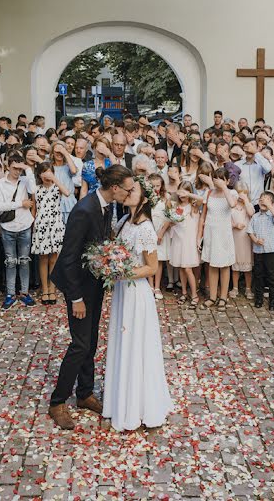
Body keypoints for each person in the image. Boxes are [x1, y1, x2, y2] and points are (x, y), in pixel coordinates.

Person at [48, 165, 135, 430]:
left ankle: (84, 393)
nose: (130, 193)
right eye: (128, 188)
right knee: (80, 344)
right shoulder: (84, 210)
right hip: (78, 287)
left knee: (91, 340)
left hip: (94, 284)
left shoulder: (108, 206)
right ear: (115, 188)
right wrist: (75, 298)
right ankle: (57, 401)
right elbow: (69, 258)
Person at [102, 178, 173, 431]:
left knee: (136, 344)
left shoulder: (145, 228)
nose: (127, 192)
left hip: (136, 292)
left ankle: (140, 405)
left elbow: (152, 267)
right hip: (122, 291)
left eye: (133, 190)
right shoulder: (122, 222)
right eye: (127, 189)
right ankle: (120, 401)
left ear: (144, 199)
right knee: (122, 341)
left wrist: (123, 273)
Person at [0, 153, 36, 309]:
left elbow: (33, 190)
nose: (17, 171)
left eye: (20, 168)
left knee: (24, 261)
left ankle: (24, 293)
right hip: (8, 227)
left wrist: (28, 169)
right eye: (15, 168)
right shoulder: (0, 184)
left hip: (24, 225)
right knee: (10, 262)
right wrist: (20, 203)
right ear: (8, 166)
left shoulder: (25, 180)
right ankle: (10, 294)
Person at [31, 162, 68, 305]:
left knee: (54, 258)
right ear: (39, 175)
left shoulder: (57, 187)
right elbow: (34, 209)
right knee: (43, 258)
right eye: (44, 172)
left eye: (49, 172)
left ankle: (52, 288)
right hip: (41, 225)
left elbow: (67, 192)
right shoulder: (36, 189)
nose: (46, 175)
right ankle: (45, 289)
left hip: (56, 224)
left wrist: (54, 178)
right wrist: (33, 226)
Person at [199, 168, 236, 308]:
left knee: (224, 265)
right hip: (210, 233)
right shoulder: (209, 193)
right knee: (212, 265)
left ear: (227, 180)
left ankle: (223, 297)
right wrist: (200, 236)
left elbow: (232, 204)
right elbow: (203, 215)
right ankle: (212, 297)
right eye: (215, 178)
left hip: (223, 233)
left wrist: (224, 187)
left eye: (221, 178)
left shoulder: (231, 193)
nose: (217, 180)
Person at [247, 191, 274, 310]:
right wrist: (255, 240)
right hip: (258, 250)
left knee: (271, 275)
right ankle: (259, 298)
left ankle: (273, 300)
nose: (263, 201)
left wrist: (270, 206)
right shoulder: (255, 216)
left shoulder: (272, 215)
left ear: (272, 203)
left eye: (267, 199)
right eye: (261, 199)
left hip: (271, 250)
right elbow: (250, 231)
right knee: (258, 274)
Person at [169, 181, 202, 306]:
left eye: (185, 191)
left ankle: (194, 294)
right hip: (178, 239)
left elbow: (201, 199)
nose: (182, 194)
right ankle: (183, 292)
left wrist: (188, 194)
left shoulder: (193, 205)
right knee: (181, 268)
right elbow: (173, 222)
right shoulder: (175, 206)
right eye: (180, 191)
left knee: (188, 268)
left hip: (189, 240)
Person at [231, 183, 255, 300]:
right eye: (239, 192)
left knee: (247, 264)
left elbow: (251, 214)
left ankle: (248, 288)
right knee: (235, 264)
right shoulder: (232, 206)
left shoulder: (248, 206)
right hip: (234, 238)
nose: (241, 195)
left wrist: (246, 201)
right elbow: (227, 221)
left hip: (246, 239)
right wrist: (235, 225)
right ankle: (235, 287)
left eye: (244, 193)